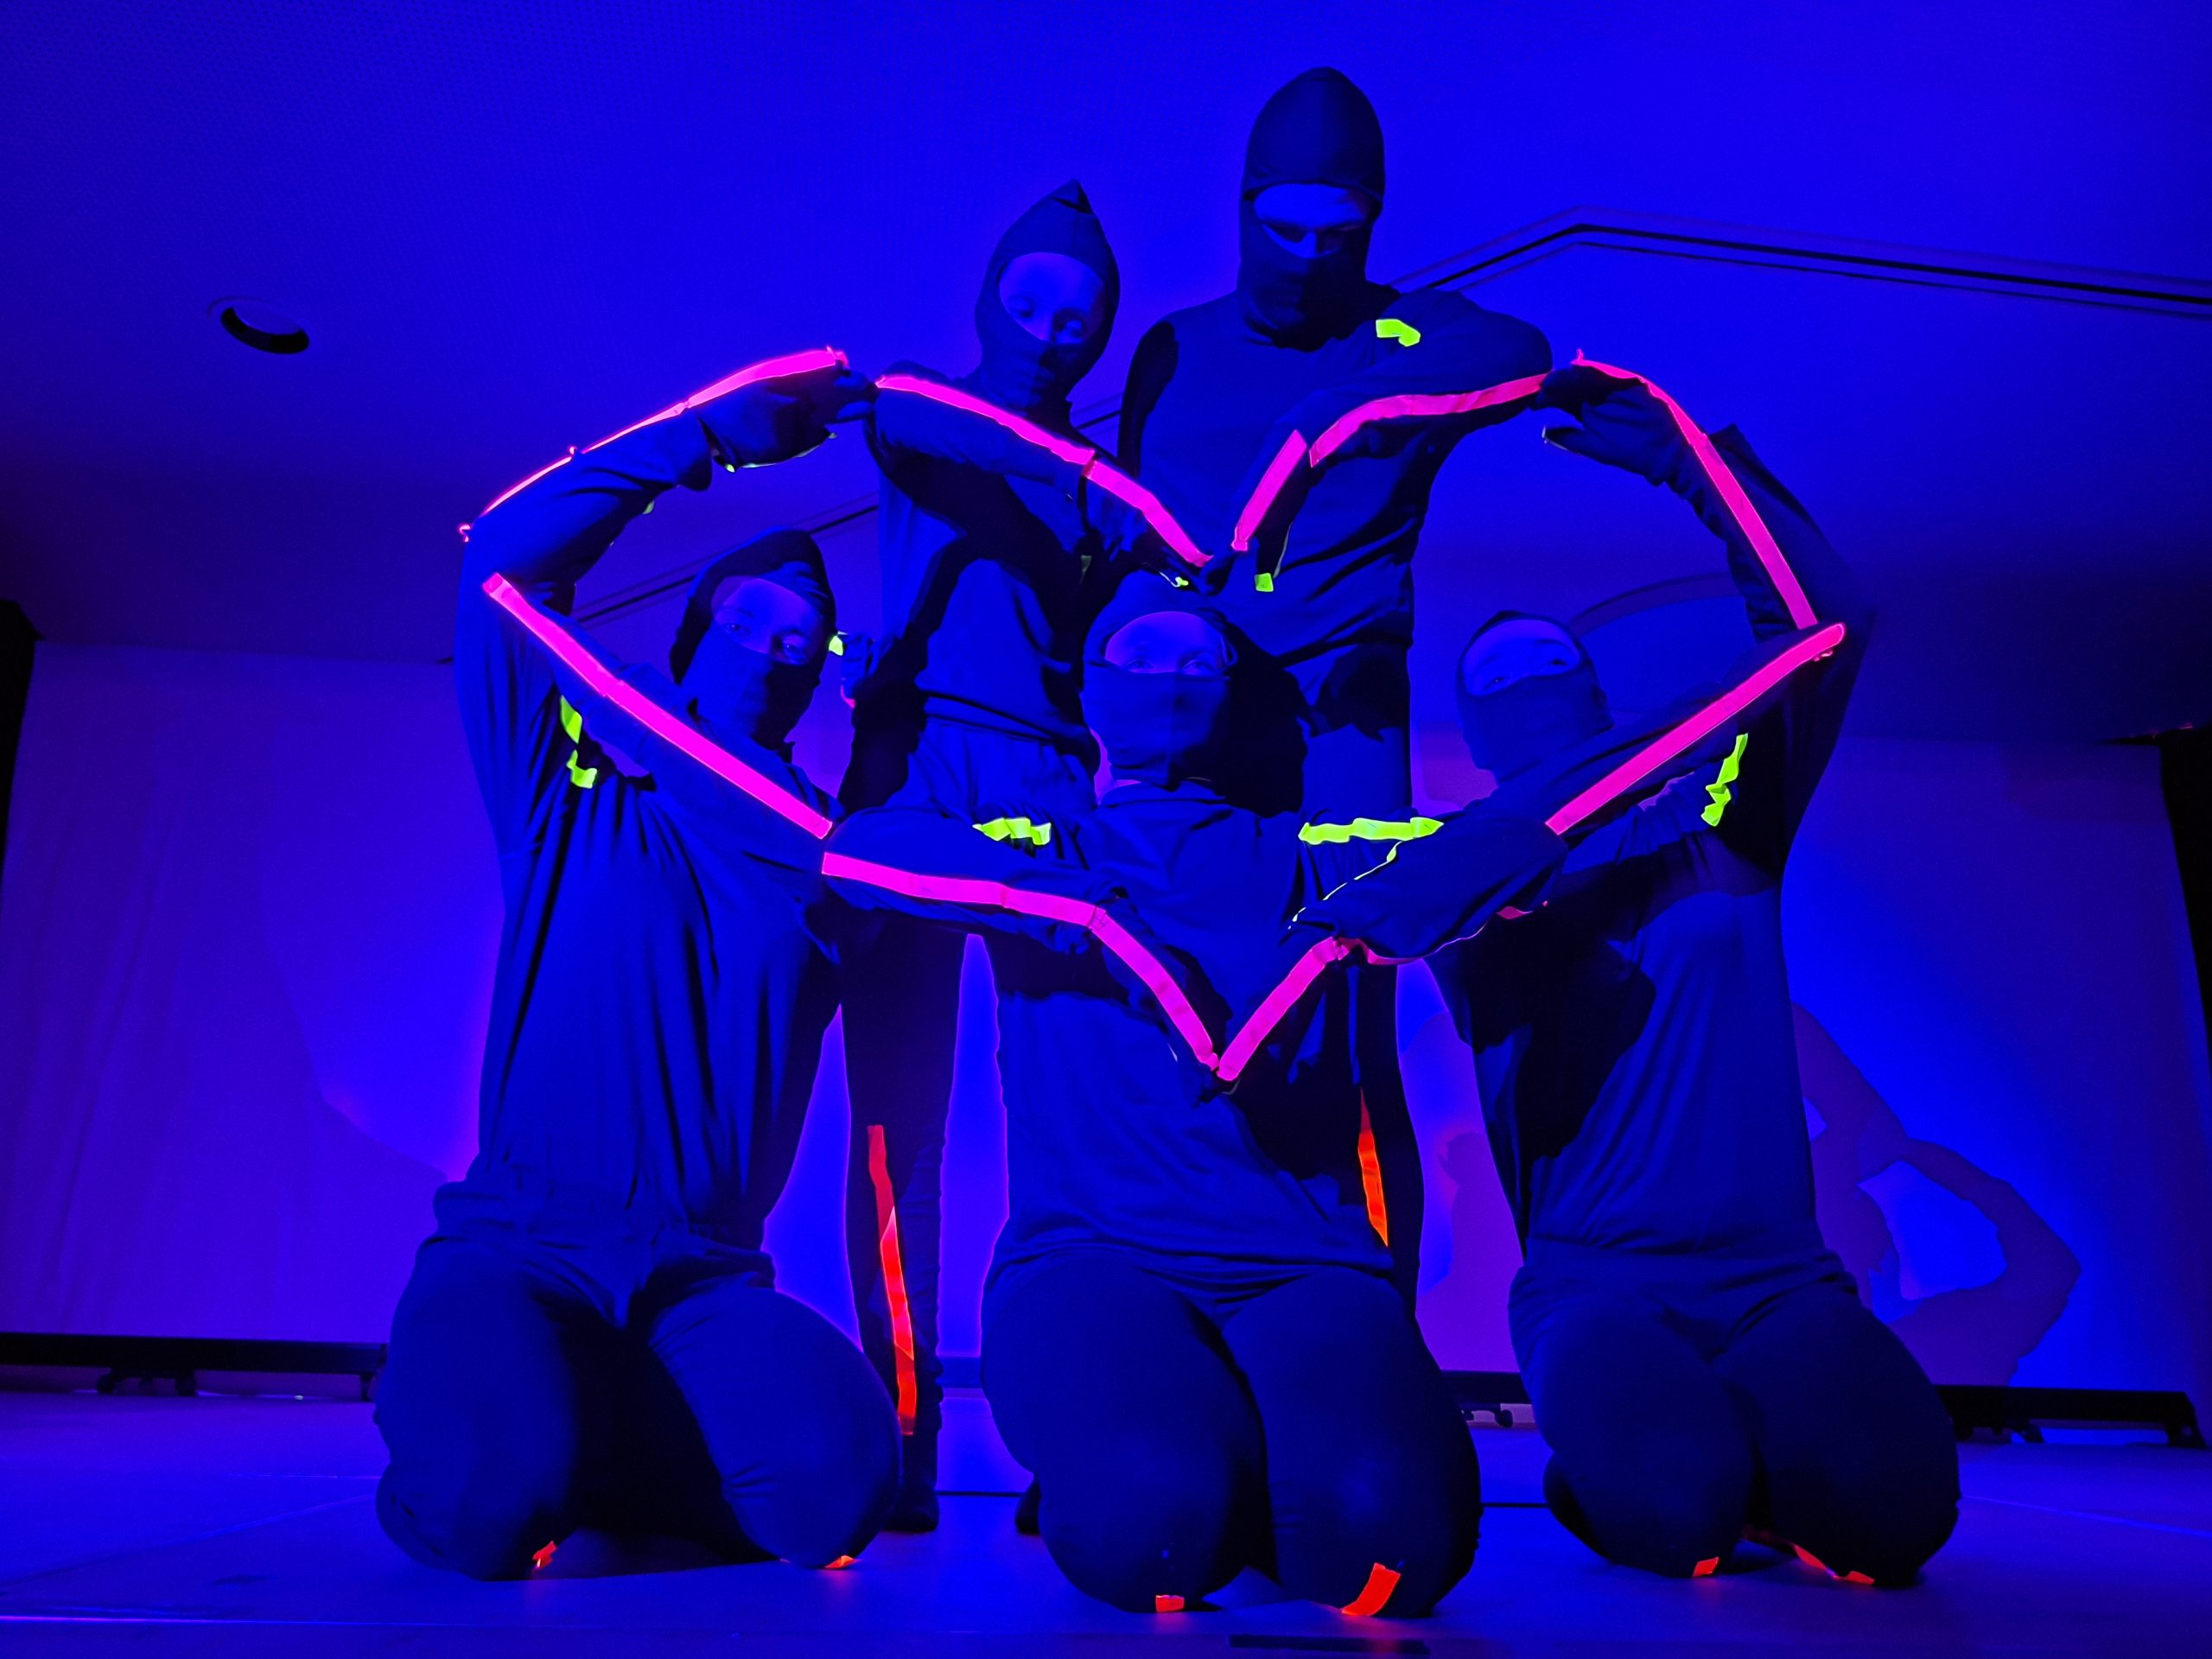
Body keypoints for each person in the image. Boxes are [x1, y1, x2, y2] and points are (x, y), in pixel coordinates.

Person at [1304, 365, 1960, 1585]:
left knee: (1896, 1526)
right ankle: (1634, 1471)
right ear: (1477, 731)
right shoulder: (1451, 868)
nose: (1531, 682)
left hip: (1776, 1279)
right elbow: (1394, 895)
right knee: (1671, 1514)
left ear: (1597, 692)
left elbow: (1828, 626)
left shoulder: (1720, 824)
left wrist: (1689, 463)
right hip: (1596, 1287)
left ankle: (1768, 1458)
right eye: (1498, 679)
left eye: (1551, 661)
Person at [821, 575, 1528, 1618]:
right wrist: (1085, 915)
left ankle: (1240, 1454)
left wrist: (1378, 911)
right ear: (1095, 689)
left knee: (1395, 1555)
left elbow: (1507, 841)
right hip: (1089, 1260)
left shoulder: (1312, 854)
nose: (1170, 684)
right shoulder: (1044, 841)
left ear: (1233, 697)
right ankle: (1166, 1453)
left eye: (1198, 663)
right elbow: (859, 852)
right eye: (1143, 659)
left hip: (1304, 1265)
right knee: (1149, 1531)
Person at [374, 359, 901, 1579]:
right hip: (522, 1246)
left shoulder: (827, 865)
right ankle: (510, 1428)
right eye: (744, 622)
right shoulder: (570, 795)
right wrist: (702, 437)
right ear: (694, 633)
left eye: (797, 639)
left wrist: (888, 724)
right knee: (484, 1509)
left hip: (700, 1276)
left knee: (833, 1497)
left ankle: (578, 1434)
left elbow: (903, 849)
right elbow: (503, 564)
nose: (770, 649)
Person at [1118, 67, 1554, 1284]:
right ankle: (1189, 1294)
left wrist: (1346, 404)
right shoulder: (1175, 347)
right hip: (1198, 712)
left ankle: (1372, 1324)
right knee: (1182, 993)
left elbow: (1521, 354)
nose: (1309, 256)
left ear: (1371, 223)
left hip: (1343, 722)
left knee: (1352, 1008)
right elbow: (1135, 545)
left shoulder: (1406, 332)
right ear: (1244, 209)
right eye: (1285, 226)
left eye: (1337, 230)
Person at [836, 181, 1144, 1530]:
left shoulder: (1108, 487)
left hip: (1049, 778)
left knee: (1066, 1120)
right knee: (897, 1127)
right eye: (1030, 302)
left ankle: (1072, 1429)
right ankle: (900, 1442)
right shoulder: (923, 409)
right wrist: (1087, 476)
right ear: (988, 301)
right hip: (911, 769)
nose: (1051, 331)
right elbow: (918, 415)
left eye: (1078, 317)